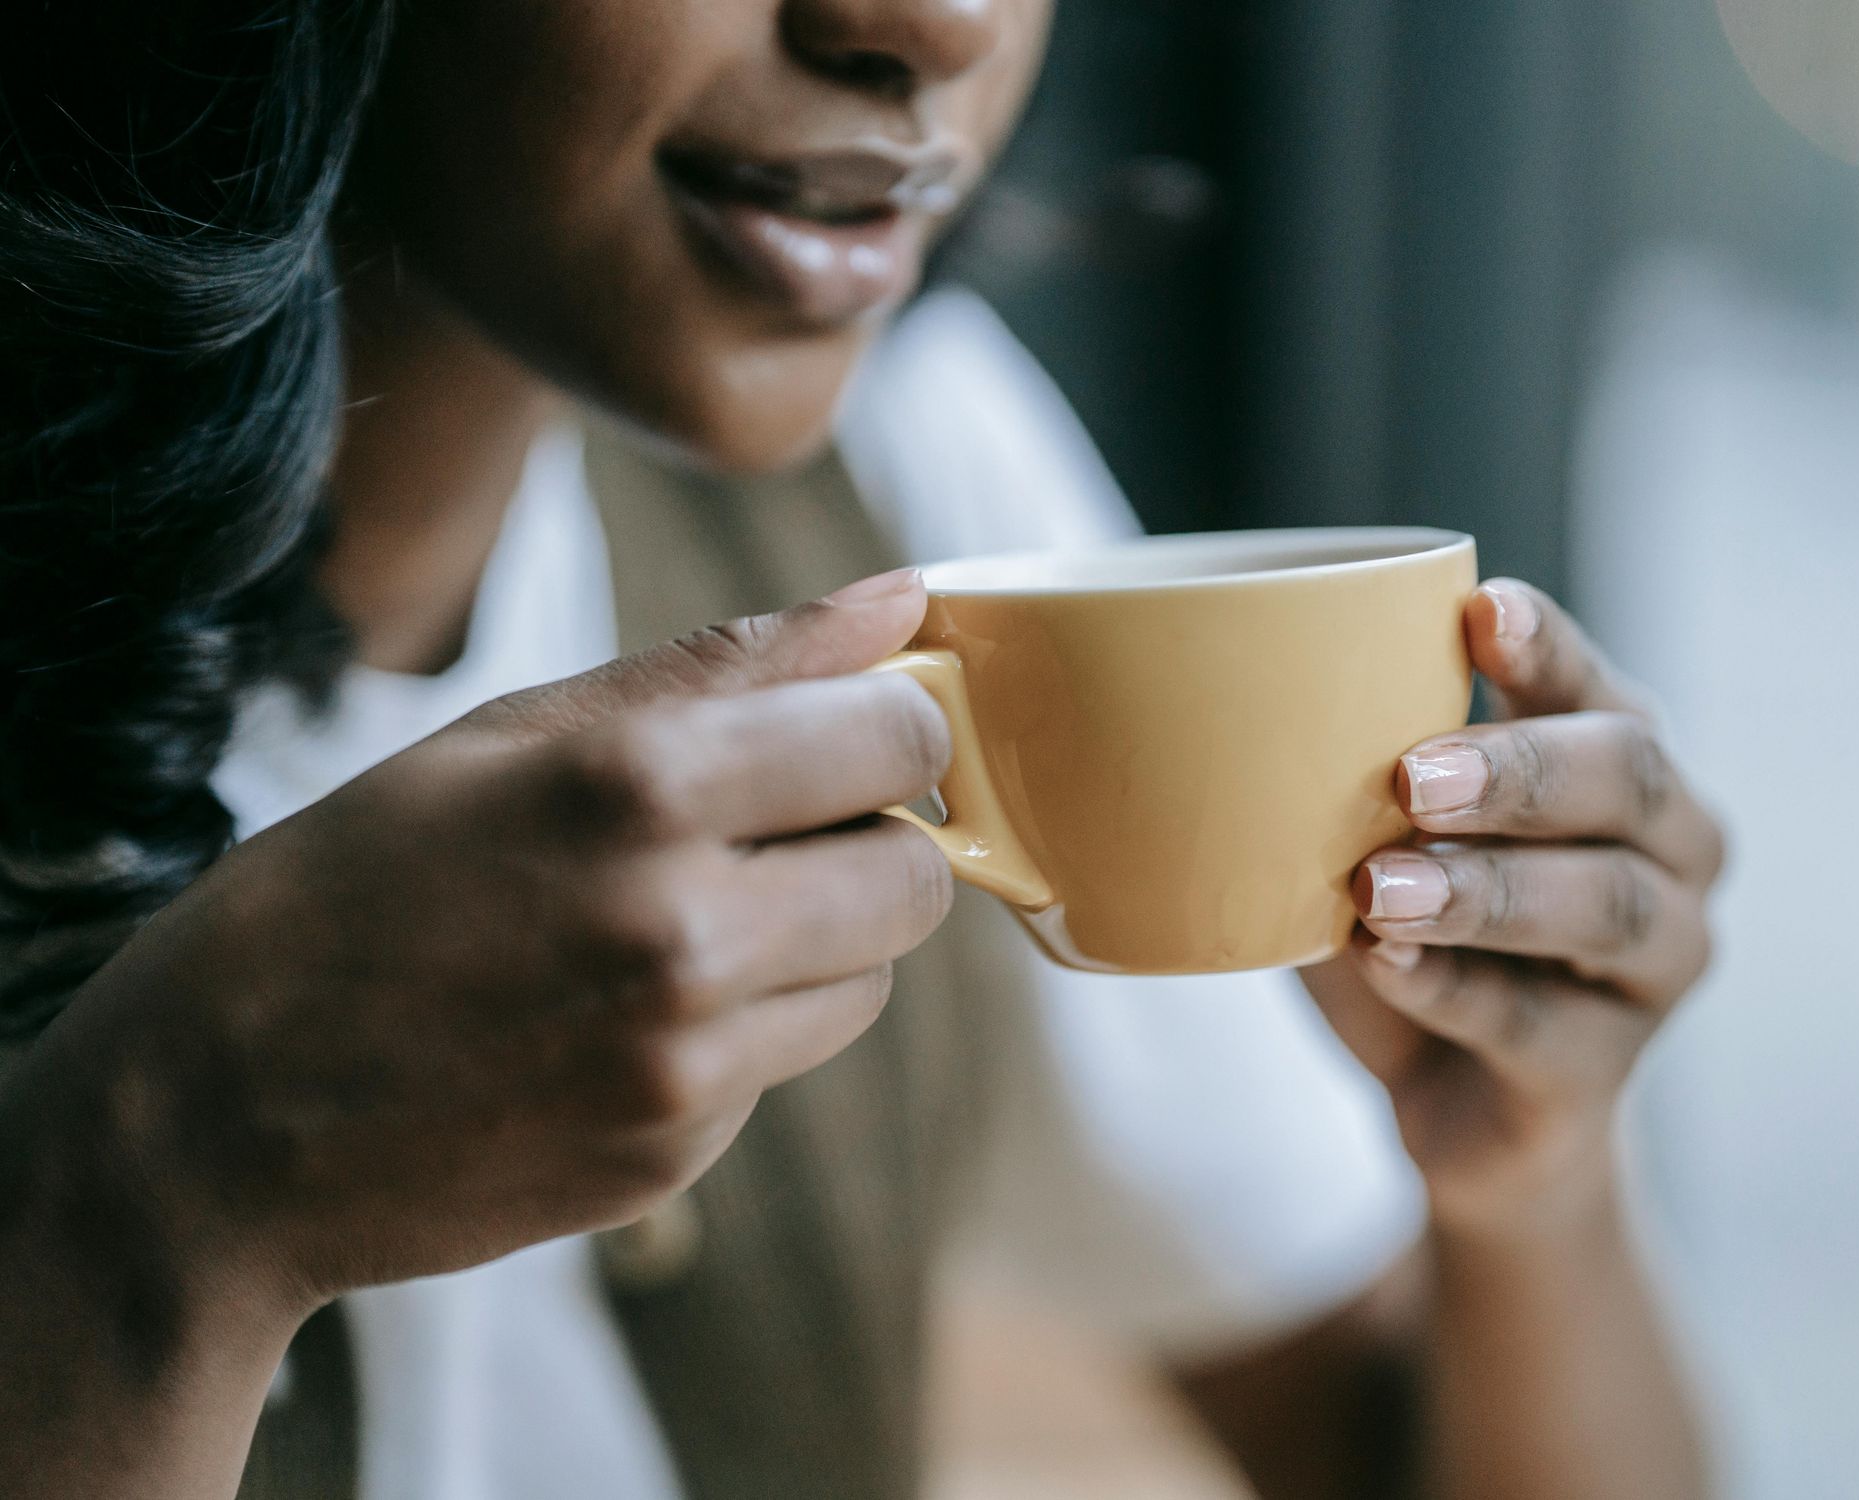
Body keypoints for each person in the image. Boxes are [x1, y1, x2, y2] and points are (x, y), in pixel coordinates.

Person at [0, 3, 1727, 1498]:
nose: (939, 25)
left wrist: (1533, 1192)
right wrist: (160, 1190)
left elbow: (1387, 1453)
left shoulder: (911, 491)